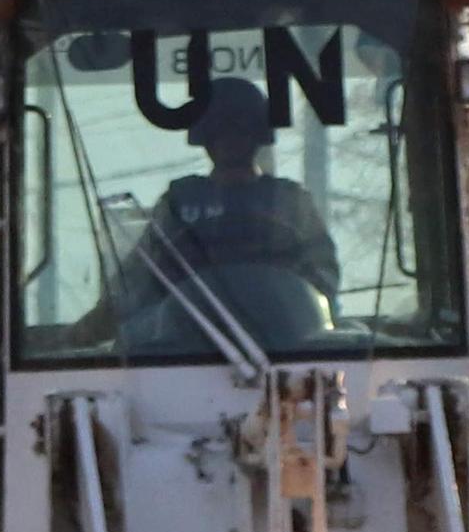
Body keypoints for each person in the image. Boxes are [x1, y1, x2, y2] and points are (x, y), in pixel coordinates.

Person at [110, 77, 342, 354]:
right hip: (181, 356)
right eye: (219, 131)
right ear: (204, 137)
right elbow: (139, 281)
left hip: (287, 354)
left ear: (258, 135)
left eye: (241, 130)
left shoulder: (291, 203)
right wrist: (79, 334)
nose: (231, 140)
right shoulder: (177, 205)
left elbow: (323, 281)